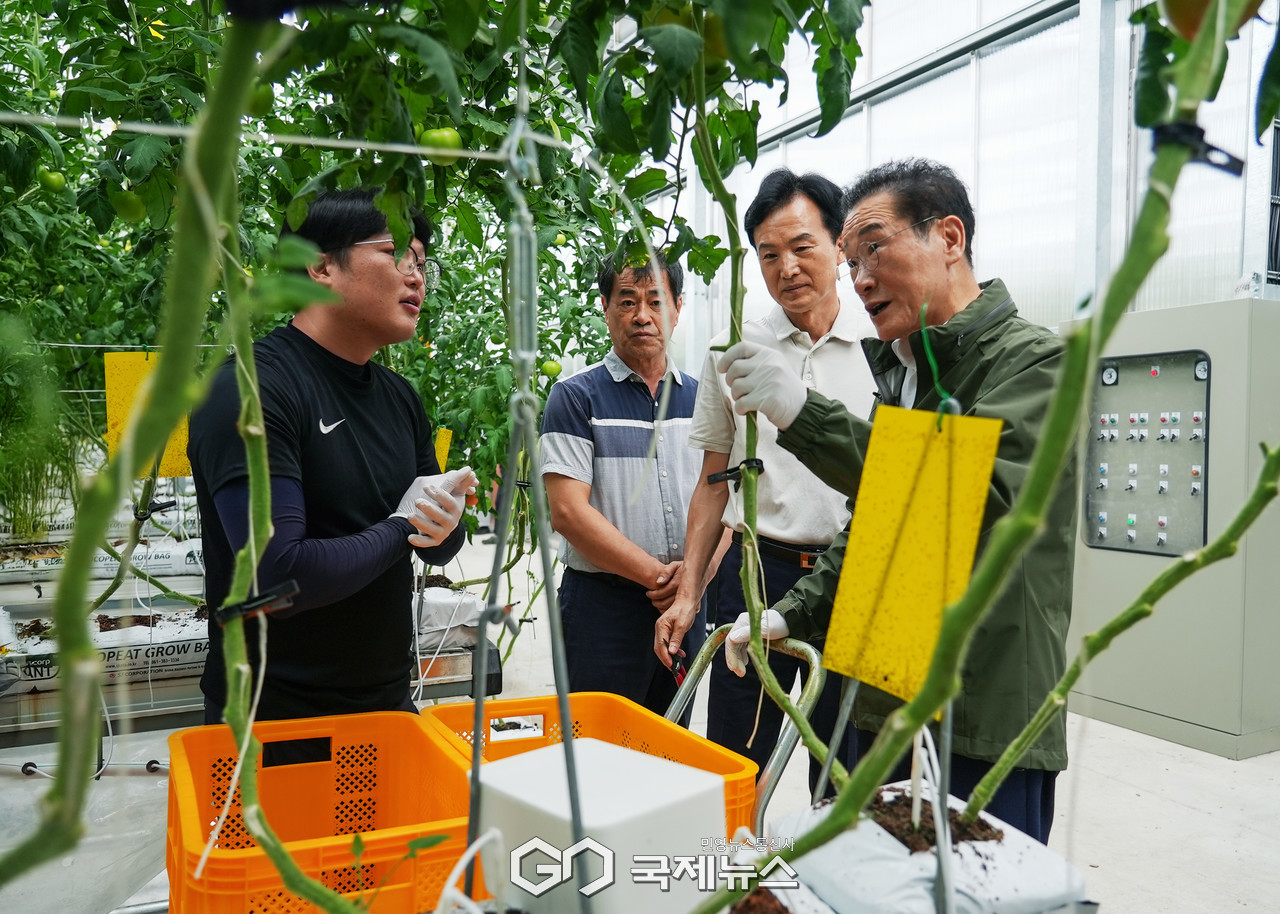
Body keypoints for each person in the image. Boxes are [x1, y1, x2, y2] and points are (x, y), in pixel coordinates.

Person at [715, 158, 1077, 843]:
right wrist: (791, 614)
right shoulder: (906, 373)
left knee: (975, 887)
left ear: (948, 238)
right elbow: (879, 526)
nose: (860, 278)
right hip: (880, 697)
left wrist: (804, 415)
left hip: (977, 714)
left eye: (873, 248)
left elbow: (966, 498)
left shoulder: (1033, 363)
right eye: (851, 261)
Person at [189, 188, 476, 726]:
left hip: (385, 704)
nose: (416, 277)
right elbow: (279, 574)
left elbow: (437, 548)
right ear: (321, 267)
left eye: (422, 263)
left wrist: (445, 519)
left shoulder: (399, 398)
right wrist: (403, 525)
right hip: (272, 719)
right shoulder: (253, 390)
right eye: (397, 255)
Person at [655, 169, 873, 791]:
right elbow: (712, 482)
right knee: (737, 759)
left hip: (851, 574)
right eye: (768, 255)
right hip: (757, 573)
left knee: (844, 765)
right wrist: (689, 593)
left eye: (803, 247)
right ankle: (737, 880)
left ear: (839, 246)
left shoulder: (881, 346)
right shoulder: (737, 346)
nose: (787, 268)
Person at [540, 251, 708, 720]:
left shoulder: (704, 400)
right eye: (628, 301)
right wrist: (661, 579)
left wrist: (691, 584)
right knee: (596, 746)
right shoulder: (575, 397)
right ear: (605, 306)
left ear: (678, 308)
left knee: (670, 745)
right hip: (602, 609)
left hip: (685, 608)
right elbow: (569, 513)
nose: (642, 316)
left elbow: (725, 502)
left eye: (656, 301)